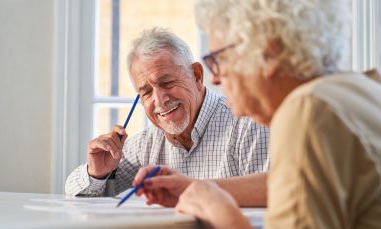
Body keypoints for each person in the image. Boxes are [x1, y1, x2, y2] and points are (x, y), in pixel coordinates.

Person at [134, 1, 381, 229]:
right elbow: (296, 187)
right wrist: (197, 188)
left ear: (267, 51)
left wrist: (217, 211)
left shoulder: (307, 109)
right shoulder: (362, 90)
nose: (216, 78)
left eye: (218, 59)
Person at [65, 28, 270, 207]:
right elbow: (74, 194)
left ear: (197, 75)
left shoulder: (248, 126)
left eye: (167, 83)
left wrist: (192, 189)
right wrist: (97, 173)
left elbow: (274, 197)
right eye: (146, 92)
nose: (160, 100)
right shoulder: (146, 144)